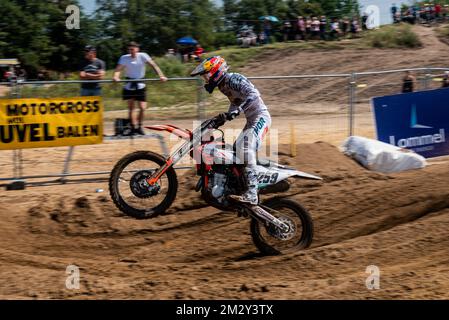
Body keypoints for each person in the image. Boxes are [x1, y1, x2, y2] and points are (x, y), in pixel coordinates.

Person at [190, 56, 271, 205]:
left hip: (261, 116)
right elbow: (236, 102)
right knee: (235, 152)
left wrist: (236, 111)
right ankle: (238, 187)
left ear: (216, 71)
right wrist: (225, 117)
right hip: (251, 119)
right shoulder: (223, 86)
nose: (206, 79)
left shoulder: (234, 79)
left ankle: (253, 193)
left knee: (246, 149)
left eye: (207, 75)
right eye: (204, 77)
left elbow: (253, 95)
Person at [113, 41, 167, 135]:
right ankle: (133, 128)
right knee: (131, 108)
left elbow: (153, 65)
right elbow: (118, 69)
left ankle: (139, 126)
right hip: (129, 85)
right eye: (130, 49)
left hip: (140, 84)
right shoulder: (124, 58)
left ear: (137, 49)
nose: (132, 51)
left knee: (142, 107)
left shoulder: (143, 55)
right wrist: (116, 76)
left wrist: (161, 75)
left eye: (133, 49)